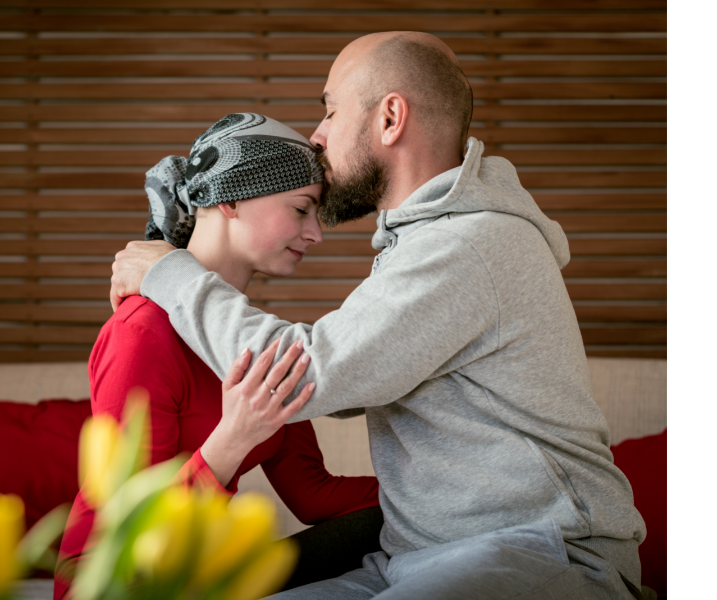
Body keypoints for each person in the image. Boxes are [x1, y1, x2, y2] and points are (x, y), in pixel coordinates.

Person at [108, 32, 647, 600]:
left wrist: (168, 274)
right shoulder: (423, 245)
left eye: (330, 109)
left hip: (539, 552)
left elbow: (312, 374)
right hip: (415, 557)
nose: (316, 137)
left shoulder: (467, 245)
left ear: (390, 118)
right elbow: (350, 379)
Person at [53, 113, 382, 600]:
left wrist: (447, 496)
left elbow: (314, 495)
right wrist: (233, 438)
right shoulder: (141, 332)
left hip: (202, 575)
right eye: (301, 209)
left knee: (390, 528)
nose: (316, 233)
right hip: (117, 582)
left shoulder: (249, 340)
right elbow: (133, 529)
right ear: (230, 200)